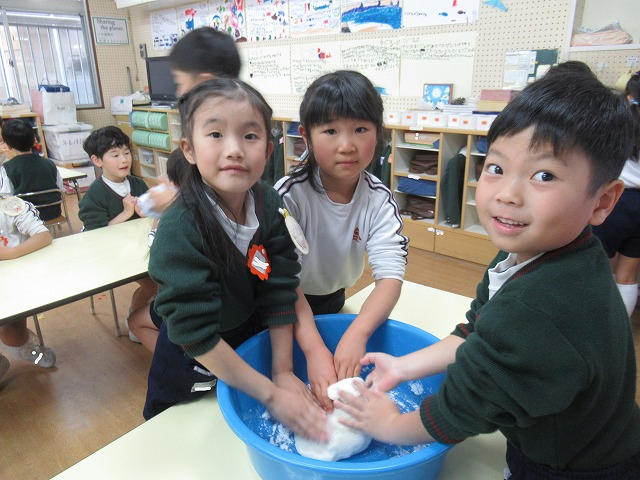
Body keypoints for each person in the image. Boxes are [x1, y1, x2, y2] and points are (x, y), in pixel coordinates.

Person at [337, 70, 640, 477]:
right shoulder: (531, 256)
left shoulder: (543, 306)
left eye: (544, 175)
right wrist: (403, 367)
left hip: (577, 464)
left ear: (602, 201)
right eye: (495, 167)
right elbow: (476, 331)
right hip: (569, 432)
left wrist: (390, 425)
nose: (507, 194)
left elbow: (461, 411)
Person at [144, 77, 327, 443]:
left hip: (246, 336)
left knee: (235, 434)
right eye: (215, 134)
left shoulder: (269, 204)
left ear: (269, 151)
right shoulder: (181, 229)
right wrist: (272, 395)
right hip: (192, 356)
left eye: (250, 136)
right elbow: (194, 335)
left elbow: (279, 290)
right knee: (180, 438)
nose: (234, 150)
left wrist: (283, 372)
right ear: (189, 149)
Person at [274, 70, 408, 411]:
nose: (347, 145)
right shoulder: (289, 197)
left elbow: (390, 276)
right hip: (282, 302)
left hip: (332, 296)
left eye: (360, 129)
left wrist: (358, 332)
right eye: (331, 131)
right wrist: (313, 349)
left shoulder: (379, 200)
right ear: (306, 136)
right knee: (294, 377)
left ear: (378, 133)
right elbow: (283, 281)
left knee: (333, 375)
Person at [78, 126, 156, 341]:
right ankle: (135, 319)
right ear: (97, 160)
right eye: (115, 155)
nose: (124, 160)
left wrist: (146, 213)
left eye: (127, 153)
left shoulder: (137, 183)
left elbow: (152, 216)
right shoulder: (94, 195)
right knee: (153, 282)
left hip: (140, 246)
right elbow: (95, 234)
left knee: (168, 272)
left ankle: (154, 315)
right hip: (112, 253)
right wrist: (126, 213)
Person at [126, 148, 189, 351]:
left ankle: (178, 360)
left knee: (135, 321)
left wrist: (160, 220)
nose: (161, 179)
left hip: (188, 305)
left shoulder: (179, 219)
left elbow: (158, 263)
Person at [592, 71, 640, 317]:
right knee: (628, 275)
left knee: (597, 267)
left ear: (630, 96)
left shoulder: (620, 124)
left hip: (617, 200)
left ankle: (595, 326)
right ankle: (619, 332)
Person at [0, 194, 55, 381]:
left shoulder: (9, 205)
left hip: (15, 284)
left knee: (14, 333)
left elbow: (44, 236)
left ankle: (24, 347)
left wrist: (11, 253)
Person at [0, 119, 64, 221]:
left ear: (8, 146)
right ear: (35, 141)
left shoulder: (7, 168)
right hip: (52, 213)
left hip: (24, 217)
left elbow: (6, 196)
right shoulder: (49, 163)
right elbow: (61, 189)